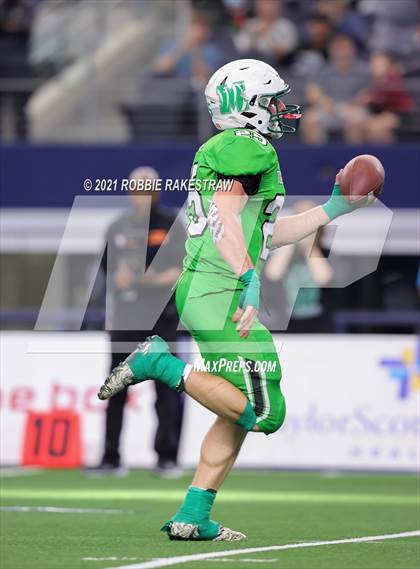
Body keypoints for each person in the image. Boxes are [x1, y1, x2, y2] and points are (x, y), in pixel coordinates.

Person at [98, 59, 376, 541]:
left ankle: (193, 514)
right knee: (266, 411)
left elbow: (266, 232)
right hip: (218, 288)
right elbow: (227, 218)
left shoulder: (233, 148)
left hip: (208, 287)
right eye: (269, 99)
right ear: (244, 105)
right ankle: (160, 363)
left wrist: (333, 208)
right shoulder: (247, 148)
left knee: (240, 412)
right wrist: (247, 276)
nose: (279, 108)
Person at [91, 167, 185, 477]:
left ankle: (167, 458)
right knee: (116, 387)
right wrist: (121, 278)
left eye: (147, 188)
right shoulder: (117, 227)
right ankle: (110, 458)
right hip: (125, 320)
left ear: (157, 191)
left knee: (167, 390)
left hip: (163, 319)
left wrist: (150, 280)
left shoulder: (172, 224)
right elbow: (108, 270)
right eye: (136, 188)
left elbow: (183, 269)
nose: (141, 194)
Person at [264, 200, 333, 333]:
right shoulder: (284, 252)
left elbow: (324, 278)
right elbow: (273, 274)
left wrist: (309, 245)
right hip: (285, 323)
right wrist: (292, 238)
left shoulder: (325, 252)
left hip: (319, 325)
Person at [301, 34, 370, 144]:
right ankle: (319, 158)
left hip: (354, 108)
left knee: (356, 121)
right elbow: (313, 92)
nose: (341, 51)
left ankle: (353, 159)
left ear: (352, 49)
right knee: (310, 120)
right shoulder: (322, 69)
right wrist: (326, 103)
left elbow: (368, 93)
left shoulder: (363, 70)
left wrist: (353, 105)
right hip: (328, 108)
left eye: (344, 46)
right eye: (337, 47)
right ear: (331, 49)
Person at [234, 0, 298, 67]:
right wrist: (255, 36)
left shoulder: (286, 26)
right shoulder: (249, 25)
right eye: (264, 4)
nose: (268, 7)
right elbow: (242, 49)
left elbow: (288, 51)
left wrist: (267, 36)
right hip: (252, 66)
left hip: (281, 66)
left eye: (272, 4)